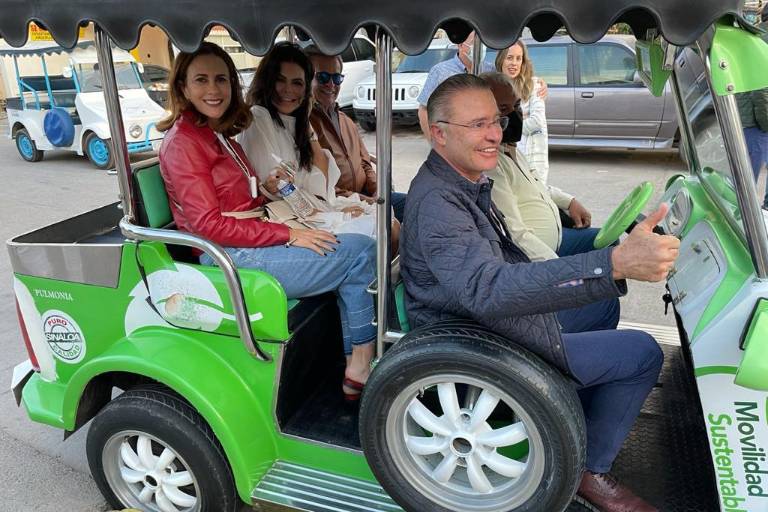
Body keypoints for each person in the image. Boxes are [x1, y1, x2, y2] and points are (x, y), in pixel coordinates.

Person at [401, 74, 681, 512]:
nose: (494, 134)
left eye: (495, 121)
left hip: (493, 321)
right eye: (477, 124)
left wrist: (597, 273)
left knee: (601, 301)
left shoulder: (464, 178)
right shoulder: (439, 203)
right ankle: (587, 469)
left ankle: (569, 409)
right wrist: (611, 264)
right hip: (481, 340)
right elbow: (487, 290)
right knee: (642, 353)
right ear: (439, 133)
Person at [157, 42, 376, 401]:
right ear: (183, 86)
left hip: (244, 240)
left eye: (221, 79)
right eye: (201, 80)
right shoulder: (184, 143)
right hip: (225, 255)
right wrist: (289, 234)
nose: (214, 89)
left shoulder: (215, 134)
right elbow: (208, 225)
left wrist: (267, 190)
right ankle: (360, 363)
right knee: (360, 253)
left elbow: (239, 200)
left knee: (356, 246)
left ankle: (355, 363)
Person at [482, 71, 617, 332]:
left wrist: (569, 201)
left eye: (517, 106)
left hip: (553, 244)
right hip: (535, 260)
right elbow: (514, 234)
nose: (515, 116)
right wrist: (561, 270)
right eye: (504, 110)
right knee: (605, 300)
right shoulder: (492, 165)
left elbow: (537, 185)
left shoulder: (511, 151)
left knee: (608, 242)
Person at [238, 42, 385, 240]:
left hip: (317, 208)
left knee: (387, 222)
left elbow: (322, 180)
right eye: (280, 80)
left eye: (297, 83)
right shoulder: (258, 118)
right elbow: (280, 189)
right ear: (267, 82)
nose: (288, 90)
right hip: (293, 219)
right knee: (380, 231)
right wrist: (335, 214)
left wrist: (305, 121)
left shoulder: (300, 123)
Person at [304, 44, 407, 222]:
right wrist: (366, 201)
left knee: (415, 204)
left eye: (337, 78)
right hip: (336, 206)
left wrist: (376, 189)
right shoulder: (305, 126)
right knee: (390, 225)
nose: (331, 84)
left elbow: (364, 162)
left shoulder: (346, 120)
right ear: (306, 79)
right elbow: (320, 187)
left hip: (365, 197)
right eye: (322, 77)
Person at [416, 32, 496, 139]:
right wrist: (433, 141)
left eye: (482, 44)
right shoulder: (441, 71)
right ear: (460, 45)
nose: (479, 48)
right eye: (474, 43)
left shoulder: (490, 70)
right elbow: (424, 110)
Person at [496, 40, 551, 184]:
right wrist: (522, 118)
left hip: (532, 161)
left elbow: (537, 121)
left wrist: (508, 125)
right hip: (504, 159)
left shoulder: (534, 85)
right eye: (510, 58)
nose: (514, 63)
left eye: (518, 58)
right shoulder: (496, 87)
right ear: (501, 60)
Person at [737, 5, 768, 208]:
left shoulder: (752, 36)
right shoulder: (764, 40)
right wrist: (766, 123)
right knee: (749, 177)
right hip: (758, 119)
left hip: (750, 115)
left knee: (747, 173)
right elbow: (761, 89)